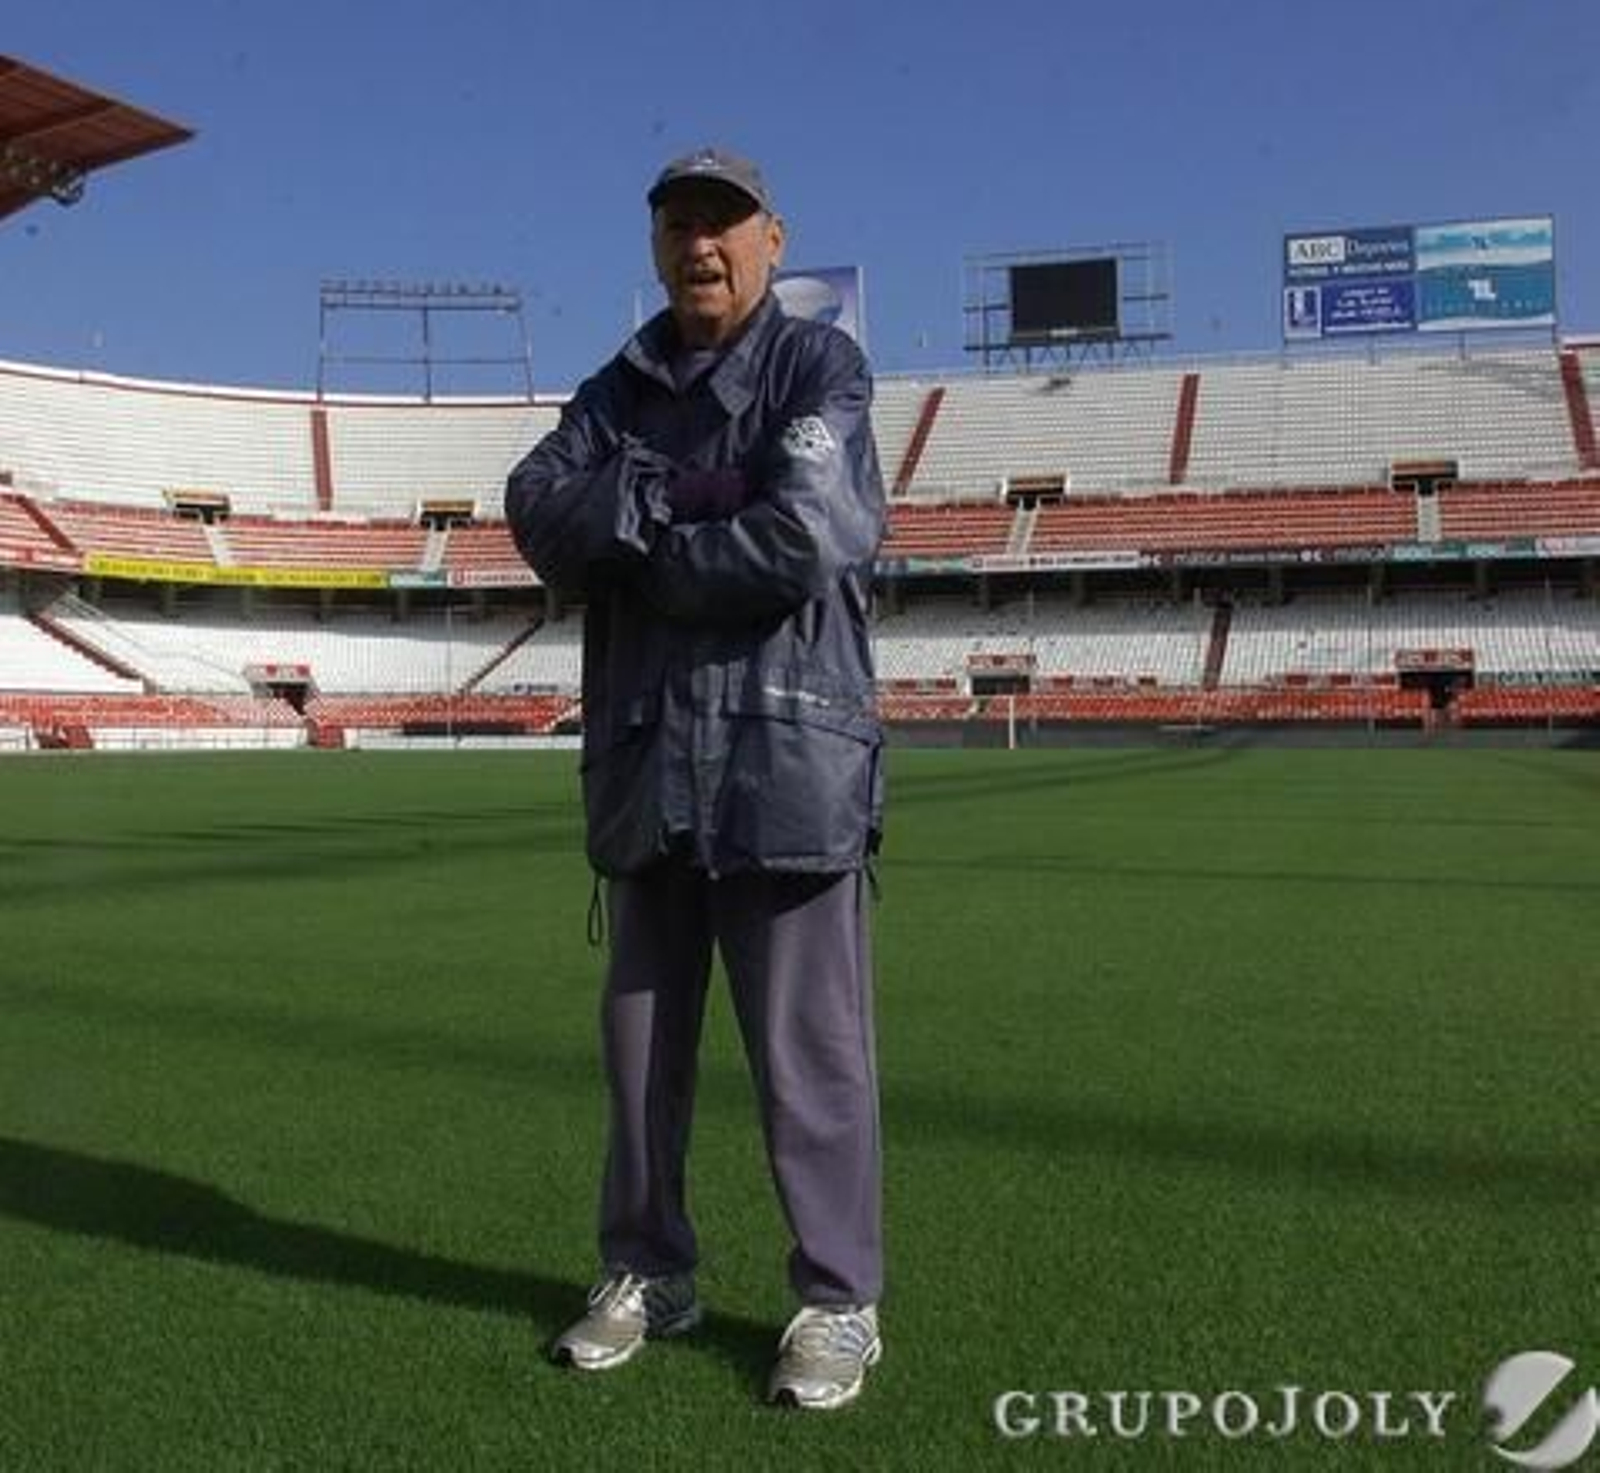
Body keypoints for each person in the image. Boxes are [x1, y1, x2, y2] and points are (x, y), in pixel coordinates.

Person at [504, 146, 887, 1411]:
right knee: (640, 1059)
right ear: (655, 246)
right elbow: (535, 513)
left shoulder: (818, 366)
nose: (698, 247)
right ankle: (646, 1270)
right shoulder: (614, 387)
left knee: (808, 1061)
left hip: (785, 762)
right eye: (676, 226)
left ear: (773, 238)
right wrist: (683, 495)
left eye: (722, 225)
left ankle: (837, 1301)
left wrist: (637, 540)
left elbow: (805, 535)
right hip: (647, 765)